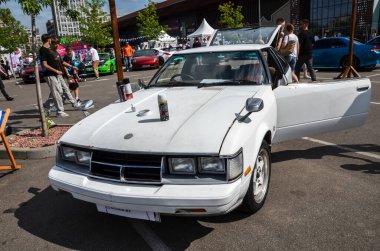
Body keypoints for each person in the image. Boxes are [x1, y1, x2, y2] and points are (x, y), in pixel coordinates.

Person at [44, 39, 81, 110]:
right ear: (51, 44)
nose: (57, 45)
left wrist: (72, 66)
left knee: (66, 89)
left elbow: (62, 62)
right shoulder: (48, 52)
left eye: (57, 44)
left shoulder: (56, 53)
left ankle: (74, 103)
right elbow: (46, 65)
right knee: (59, 91)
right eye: (55, 44)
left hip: (59, 74)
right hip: (52, 74)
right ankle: (48, 105)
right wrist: (57, 71)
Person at [39, 34, 68, 117]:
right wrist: (56, 71)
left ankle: (47, 105)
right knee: (56, 93)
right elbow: (45, 64)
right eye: (51, 39)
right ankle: (60, 111)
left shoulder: (47, 50)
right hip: (50, 74)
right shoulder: (43, 50)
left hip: (55, 74)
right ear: (49, 40)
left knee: (60, 91)